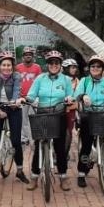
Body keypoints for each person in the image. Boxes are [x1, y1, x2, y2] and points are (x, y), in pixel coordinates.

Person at [22, 50, 74, 191]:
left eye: (56, 62)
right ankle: (34, 177)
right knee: (39, 145)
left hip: (59, 114)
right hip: (43, 114)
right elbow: (32, 95)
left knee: (60, 147)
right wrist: (26, 99)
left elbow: (70, 95)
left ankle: (63, 177)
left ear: (60, 64)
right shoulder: (40, 78)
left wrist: (69, 98)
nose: (54, 65)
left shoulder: (66, 80)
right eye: (51, 62)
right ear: (48, 64)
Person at [74, 55, 104, 187]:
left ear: (103, 68)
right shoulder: (84, 81)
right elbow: (76, 94)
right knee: (87, 145)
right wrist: (84, 95)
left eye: (98, 66)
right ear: (89, 68)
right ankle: (81, 173)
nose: (95, 68)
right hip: (89, 115)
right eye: (93, 66)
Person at [0, 51, 28, 183]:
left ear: (12, 66)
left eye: (9, 65)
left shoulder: (16, 76)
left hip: (14, 107)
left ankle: (20, 170)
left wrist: (16, 101)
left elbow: (17, 89)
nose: (6, 67)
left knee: (16, 140)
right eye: (4, 65)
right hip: (0, 107)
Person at [16, 47, 42, 146]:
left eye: (30, 54)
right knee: (23, 119)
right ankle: (24, 138)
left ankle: (34, 138)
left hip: (34, 97)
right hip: (22, 97)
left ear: (32, 56)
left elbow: (40, 82)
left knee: (34, 118)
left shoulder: (37, 67)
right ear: (23, 56)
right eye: (26, 54)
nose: (28, 56)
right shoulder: (18, 67)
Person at [62, 58, 81, 162]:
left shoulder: (78, 81)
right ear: (66, 69)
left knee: (68, 132)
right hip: (59, 109)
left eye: (75, 67)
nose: (74, 69)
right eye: (72, 67)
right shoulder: (61, 79)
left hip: (72, 110)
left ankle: (65, 154)